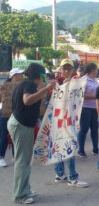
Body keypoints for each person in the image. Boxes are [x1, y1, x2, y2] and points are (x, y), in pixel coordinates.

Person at [7, 63, 56, 204]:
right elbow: (27, 100)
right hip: (21, 125)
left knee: (25, 160)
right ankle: (20, 195)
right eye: (44, 76)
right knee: (23, 161)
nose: (45, 79)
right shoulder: (28, 84)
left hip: (21, 123)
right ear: (40, 76)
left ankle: (24, 189)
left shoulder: (25, 84)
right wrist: (46, 89)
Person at [53, 59, 89, 188]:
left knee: (67, 146)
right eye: (64, 68)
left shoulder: (75, 82)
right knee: (66, 146)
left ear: (73, 70)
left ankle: (62, 174)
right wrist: (65, 85)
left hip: (70, 119)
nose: (67, 71)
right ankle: (69, 177)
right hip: (58, 120)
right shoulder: (56, 82)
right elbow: (55, 98)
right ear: (60, 69)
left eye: (69, 68)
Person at [0, 68, 24, 167]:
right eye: (20, 74)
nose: (22, 76)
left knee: (16, 136)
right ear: (15, 76)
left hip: (17, 114)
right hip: (4, 114)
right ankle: (1, 157)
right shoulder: (4, 86)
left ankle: (15, 157)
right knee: (4, 136)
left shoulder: (22, 86)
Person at [77, 63, 99, 157]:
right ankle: (81, 150)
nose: (97, 71)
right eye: (96, 69)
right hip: (85, 108)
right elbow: (81, 94)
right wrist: (95, 96)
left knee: (95, 129)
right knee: (84, 129)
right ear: (92, 70)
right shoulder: (83, 80)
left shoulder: (94, 80)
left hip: (95, 108)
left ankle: (95, 148)